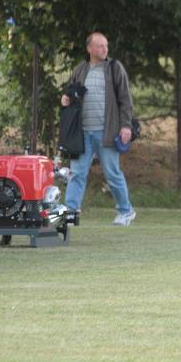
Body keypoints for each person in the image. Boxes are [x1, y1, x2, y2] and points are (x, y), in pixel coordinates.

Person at [60, 32, 137, 226]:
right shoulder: (80, 69)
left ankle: (126, 211)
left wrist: (126, 126)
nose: (105, 49)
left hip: (107, 132)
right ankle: (71, 212)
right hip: (83, 133)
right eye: (100, 46)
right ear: (90, 49)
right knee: (77, 173)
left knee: (112, 173)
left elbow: (125, 99)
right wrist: (66, 99)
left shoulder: (114, 68)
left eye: (106, 45)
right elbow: (71, 93)